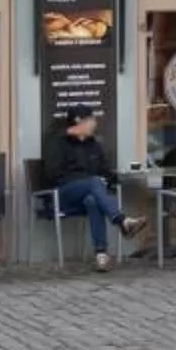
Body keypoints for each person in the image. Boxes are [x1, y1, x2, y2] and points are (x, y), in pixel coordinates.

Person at [48, 109, 141, 271]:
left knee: (93, 200)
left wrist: (111, 179)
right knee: (93, 183)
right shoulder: (58, 143)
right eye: (92, 120)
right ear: (79, 120)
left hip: (88, 194)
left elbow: (105, 169)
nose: (95, 124)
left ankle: (101, 255)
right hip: (63, 195)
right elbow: (52, 174)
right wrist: (90, 181)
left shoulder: (93, 145)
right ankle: (121, 221)